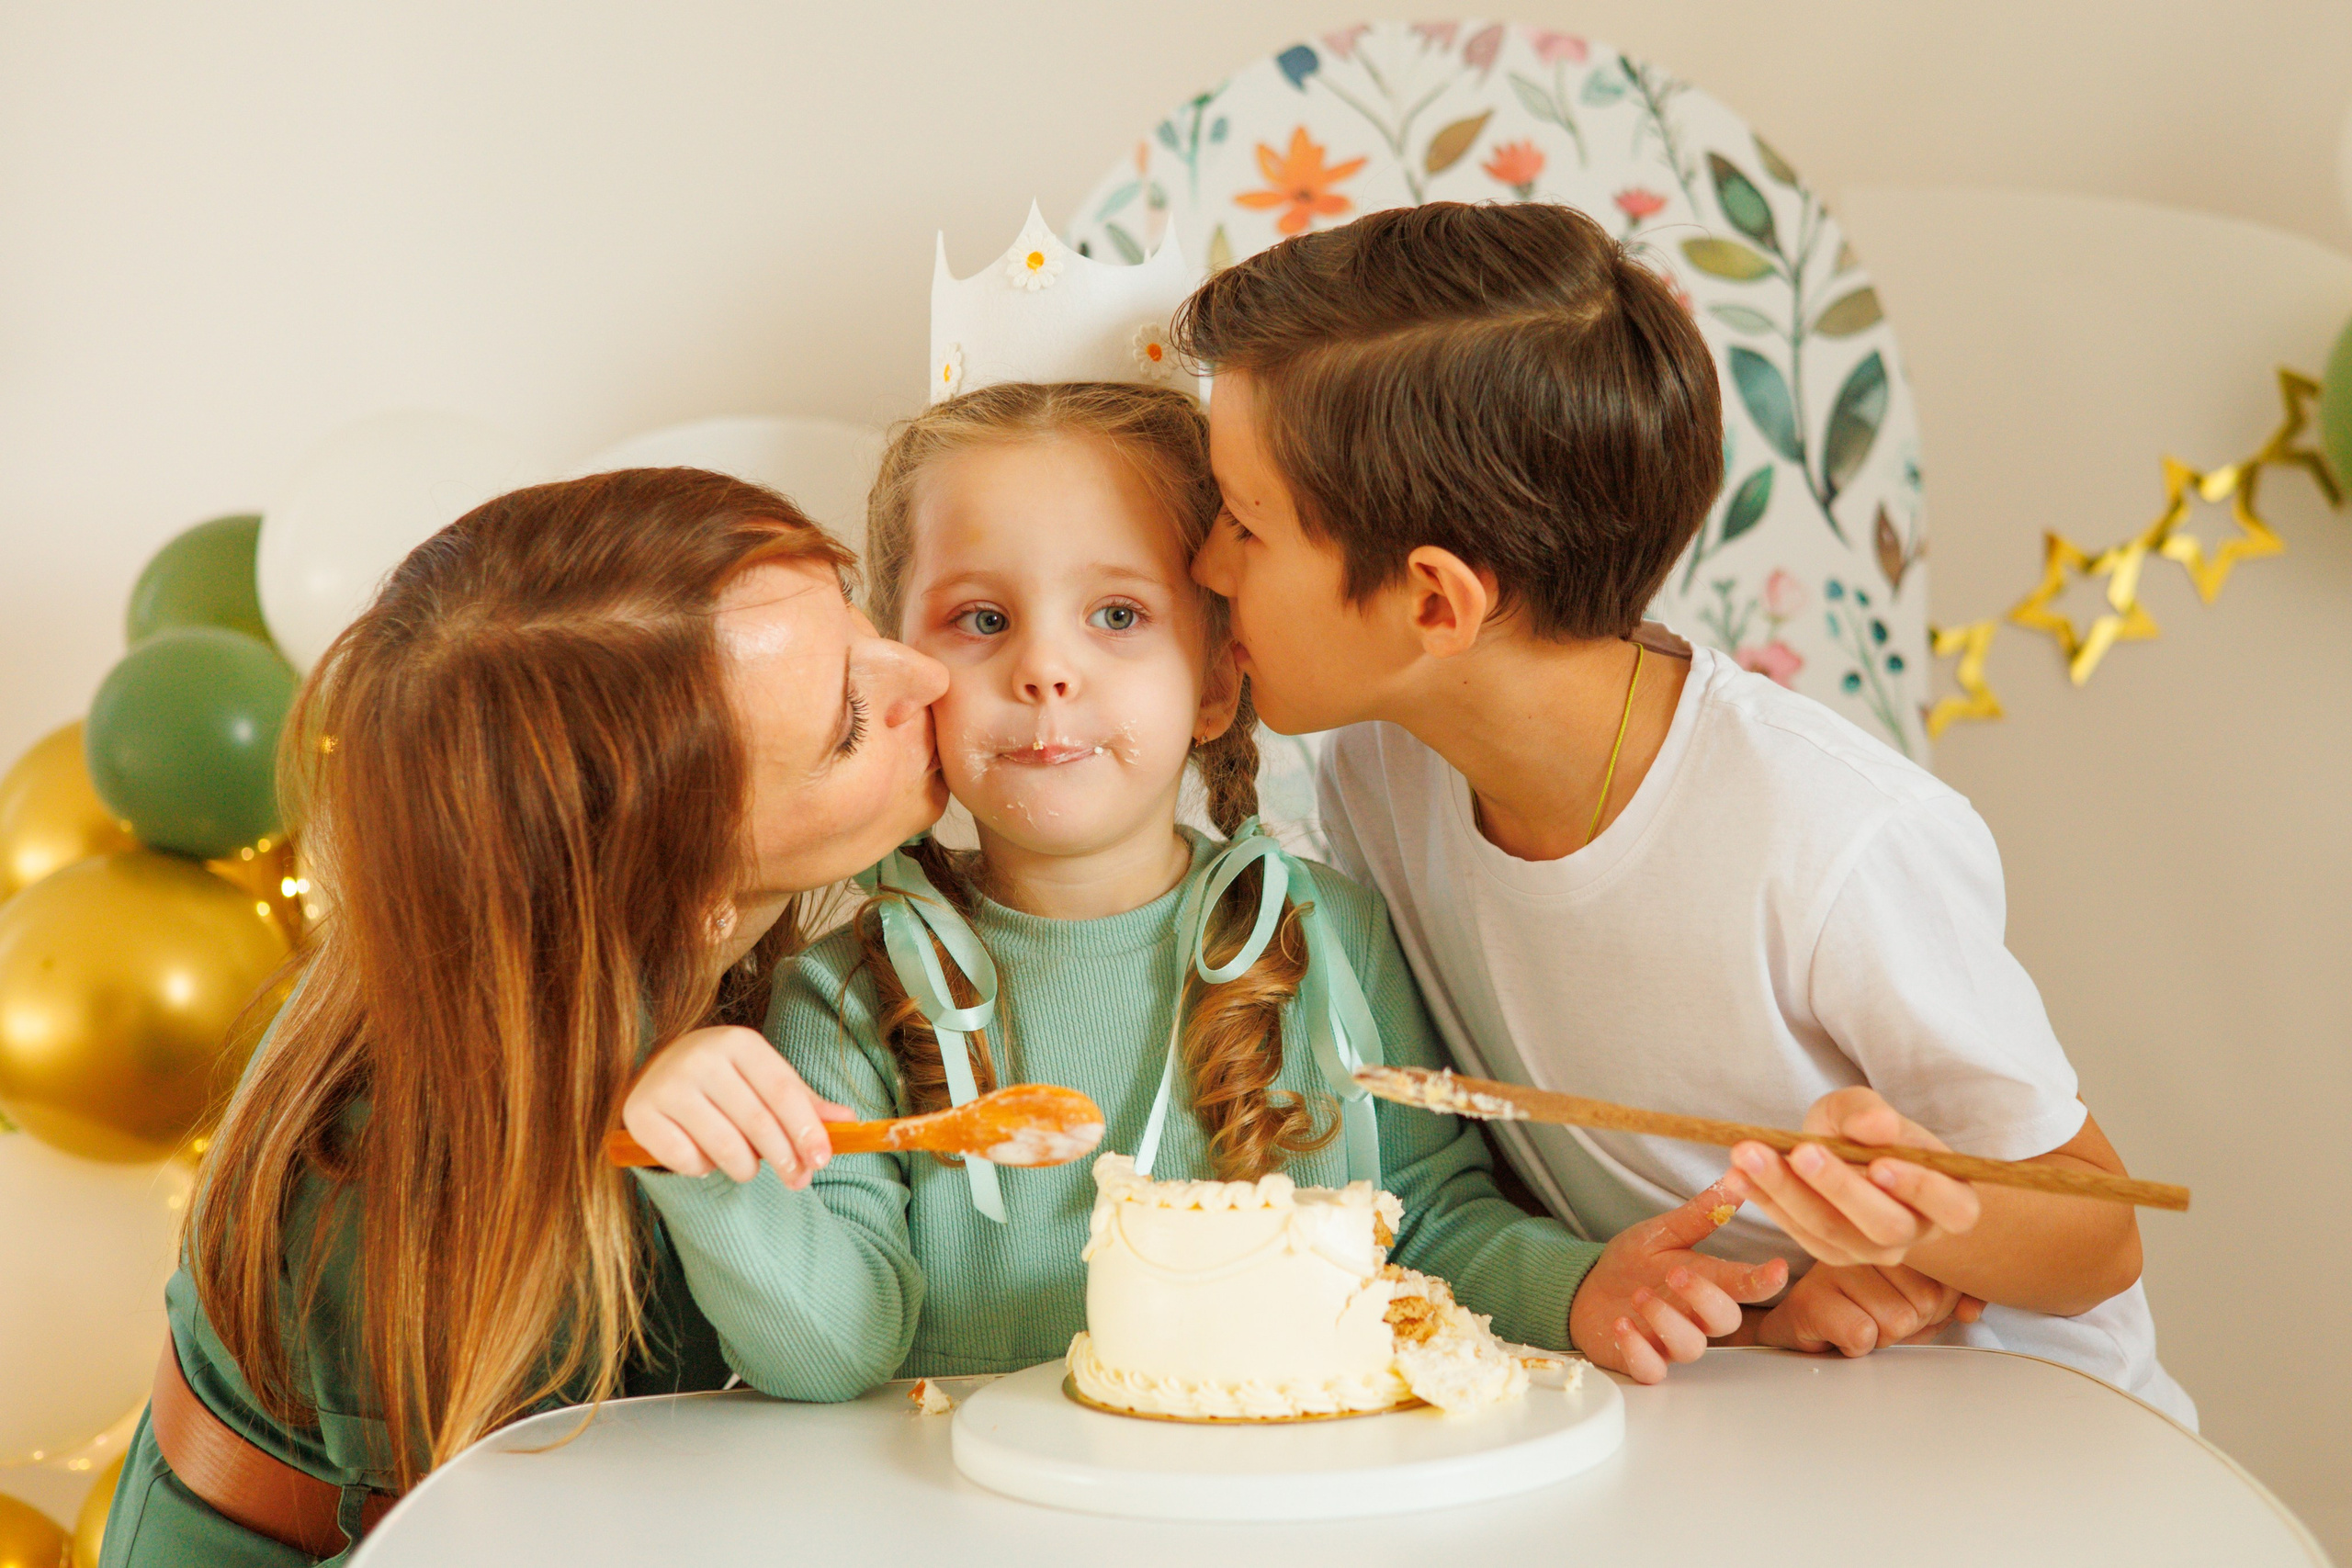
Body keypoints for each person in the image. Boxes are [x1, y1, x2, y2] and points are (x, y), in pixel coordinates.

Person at [1178, 199, 2192, 1421]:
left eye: (1245, 522)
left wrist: (1927, 1214)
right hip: (1747, 1417)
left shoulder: (1828, 835)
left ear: (1435, 602)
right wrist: (1768, 1305)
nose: (1205, 564)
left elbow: (2101, 1240)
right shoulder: (1379, 772)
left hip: (2019, 1440)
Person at [620, 368, 1792, 1395]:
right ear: (911, 671)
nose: (1045, 670)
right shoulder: (844, 997)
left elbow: (1429, 1224)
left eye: (1118, 615)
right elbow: (839, 1350)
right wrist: (713, 1179)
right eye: (982, 618)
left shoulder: (1329, 934)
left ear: (1219, 682)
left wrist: (1584, 1289)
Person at [102, 468, 950, 1566]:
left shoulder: (656, 970)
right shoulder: (401, 1178)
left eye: (860, 621)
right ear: (687, 897)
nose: (925, 673)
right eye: (845, 726)